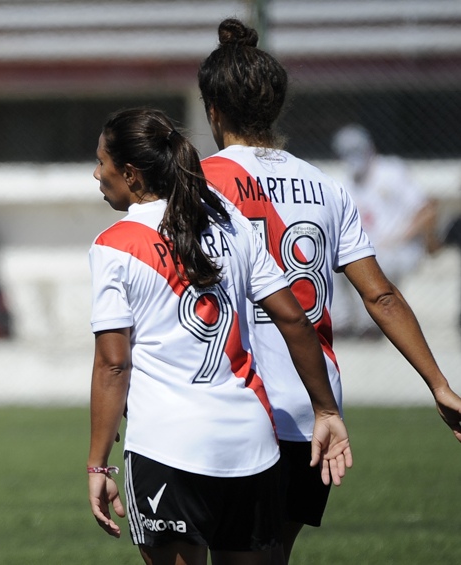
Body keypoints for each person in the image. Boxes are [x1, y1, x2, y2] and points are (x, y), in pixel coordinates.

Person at [196, 18, 461, 564]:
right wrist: (439, 384)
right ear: (275, 107)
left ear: (214, 110)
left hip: (236, 403)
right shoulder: (326, 186)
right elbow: (381, 296)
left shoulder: (197, 185)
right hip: (312, 410)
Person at [86, 108, 351, 565]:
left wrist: (98, 464)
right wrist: (325, 408)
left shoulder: (115, 244)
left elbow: (114, 363)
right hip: (252, 447)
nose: (96, 173)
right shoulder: (230, 222)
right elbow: (294, 320)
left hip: (167, 447)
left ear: (129, 173)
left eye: (101, 162)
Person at [330, 124, 438, 337]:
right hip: (370, 247)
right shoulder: (346, 181)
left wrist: (398, 237)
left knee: (368, 260)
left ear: (370, 148)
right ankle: (341, 323)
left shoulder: (391, 171)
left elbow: (426, 210)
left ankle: (370, 325)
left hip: (400, 248)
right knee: (335, 260)